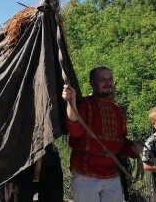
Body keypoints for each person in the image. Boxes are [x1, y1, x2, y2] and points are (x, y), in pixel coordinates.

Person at [61, 66, 142, 202]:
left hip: (112, 174)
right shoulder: (85, 104)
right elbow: (75, 130)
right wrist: (71, 102)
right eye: (102, 79)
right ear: (92, 83)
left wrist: (133, 148)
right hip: (86, 174)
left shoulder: (118, 110)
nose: (107, 82)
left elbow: (120, 142)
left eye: (110, 79)